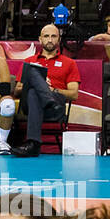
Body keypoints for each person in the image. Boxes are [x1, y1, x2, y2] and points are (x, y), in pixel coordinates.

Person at [11, 23, 77, 157]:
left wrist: (53, 89)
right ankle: (47, 97)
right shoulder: (29, 60)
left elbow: (74, 94)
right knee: (34, 73)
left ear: (59, 39)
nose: (50, 39)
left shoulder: (69, 63)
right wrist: (39, 84)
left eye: (54, 36)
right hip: (29, 106)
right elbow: (17, 90)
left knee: (34, 92)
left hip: (54, 108)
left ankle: (33, 144)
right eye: (46, 36)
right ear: (40, 39)